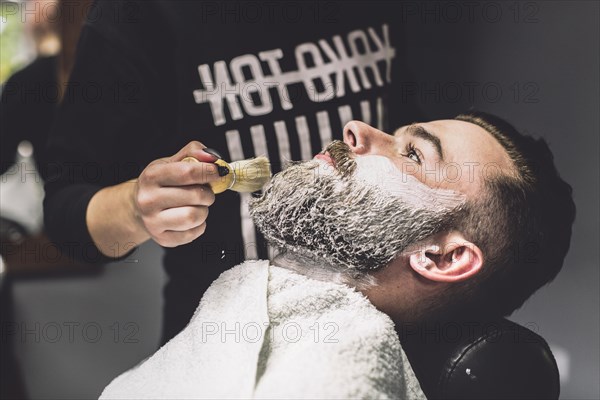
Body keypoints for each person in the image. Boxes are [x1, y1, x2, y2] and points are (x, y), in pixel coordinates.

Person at [99, 112, 575, 399]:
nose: (357, 129)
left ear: (442, 257)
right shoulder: (247, 296)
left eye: (412, 155)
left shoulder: (338, 372)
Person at [43, 0, 422, 343]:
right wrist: (135, 207)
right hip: (224, 341)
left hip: (373, 327)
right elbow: (67, 217)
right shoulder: (137, 15)